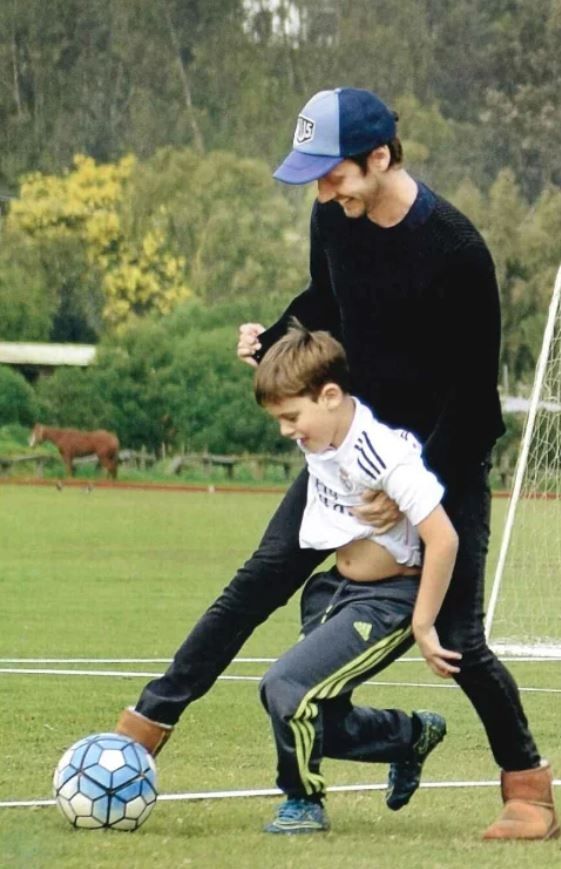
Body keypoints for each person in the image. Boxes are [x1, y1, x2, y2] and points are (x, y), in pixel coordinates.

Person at [116, 86, 559, 841]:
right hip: (347, 451)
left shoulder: (457, 250)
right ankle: (144, 727)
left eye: (333, 176)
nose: (323, 193)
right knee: (257, 580)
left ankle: (529, 793)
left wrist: (413, 489)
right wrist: (275, 339)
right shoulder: (333, 218)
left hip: (441, 460)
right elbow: (327, 301)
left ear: (379, 157)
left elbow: (474, 400)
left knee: (459, 637)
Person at [253, 321, 458, 833]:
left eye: (291, 418)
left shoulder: (383, 453)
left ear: (329, 396)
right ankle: (408, 736)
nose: (286, 431)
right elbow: (297, 381)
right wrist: (258, 349)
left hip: (386, 602)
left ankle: (303, 802)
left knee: (285, 686)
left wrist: (424, 624)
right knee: (316, 714)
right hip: (331, 592)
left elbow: (444, 538)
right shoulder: (322, 431)